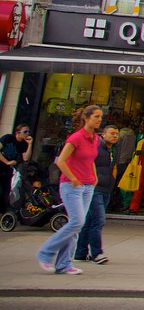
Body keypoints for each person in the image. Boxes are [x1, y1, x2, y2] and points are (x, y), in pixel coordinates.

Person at [36, 105, 103, 275]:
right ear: (86, 118)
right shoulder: (76, 137)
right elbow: (61, 161)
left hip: (87, 185)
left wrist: (94, 177)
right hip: (71, 185)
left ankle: (64, 264)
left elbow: (91, 160)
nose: (99, 120)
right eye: (96, 116)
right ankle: (46, 252)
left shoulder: (95, 138)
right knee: (77, 222)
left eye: (101, 117)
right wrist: (73, 178)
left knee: (76, 226)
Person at [74, 123, 118, 264]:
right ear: (103, 135)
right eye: (112, 133)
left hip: (106, 188)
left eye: (117, 134)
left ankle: (80, 253)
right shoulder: (97, 148)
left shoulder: (112, 150)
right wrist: (93, 180)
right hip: (96, 188)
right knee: (98, 220)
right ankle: (97, 253)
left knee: (90, 221)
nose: (115, 136)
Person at [1, 123, 33, 215]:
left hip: (8, 169)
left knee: (6, 191)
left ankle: (3, 214)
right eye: (25, 132)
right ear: (18, 132)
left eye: (29, 132)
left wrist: (30, 144)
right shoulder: (8, 138)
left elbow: (26, 158)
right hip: (2, 164)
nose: (27, 134)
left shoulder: (23, 144)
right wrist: (6, 161)